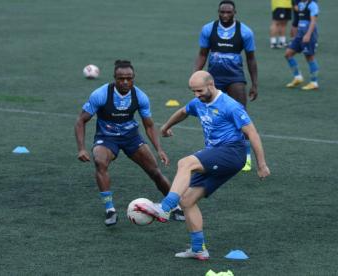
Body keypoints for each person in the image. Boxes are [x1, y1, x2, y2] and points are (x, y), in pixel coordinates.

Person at [136, 71, 271, 260]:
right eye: (193, 91)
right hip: (216, 154)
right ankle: (198, 249)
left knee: (186, 163)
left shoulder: (231, 106)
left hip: (232, 153)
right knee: (187, 200)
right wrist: (166, 127)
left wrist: (261, 164)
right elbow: (183, 111)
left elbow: (253, 134)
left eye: (199, 90)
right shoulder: (198, 102)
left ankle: (165, 207)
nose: (196, 95)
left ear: (211, 84)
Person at [74, 60, 184, 226]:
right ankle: (110, 209)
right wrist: (81, 148)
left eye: (129, 78)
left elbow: (149, 125)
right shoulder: (101, 94)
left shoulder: (140, 96)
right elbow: (80, 121)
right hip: (107, 136)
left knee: (154, 171)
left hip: (131, 137)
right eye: (121, 78)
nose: (125, 82)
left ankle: (174, 206)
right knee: (100, 162)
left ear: (133, 78)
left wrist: (159, 149)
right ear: (114, 78)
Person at [193, 0, 258, 172]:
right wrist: (196, 75)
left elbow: (251, 58)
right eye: (222, 12)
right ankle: (212, 151)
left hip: (235, 77)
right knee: (211, 115)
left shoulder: (245, 32)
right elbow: (202, 54)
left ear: (235, 12)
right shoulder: (209, 29)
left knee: (241, 116)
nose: (225, 15)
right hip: (213, 79)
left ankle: (246, 157)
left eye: (229, 12)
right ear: (218, 12)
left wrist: (254, 84)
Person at [284, 0, 319, 90]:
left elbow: (313, 22)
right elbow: (299, 20)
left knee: (309, 57)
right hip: (299, 35)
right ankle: (298, 77)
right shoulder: (300, 4)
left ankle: (314, 82)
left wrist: (308, 34)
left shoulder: (312, 5)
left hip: (308, 34)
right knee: (288, 54)